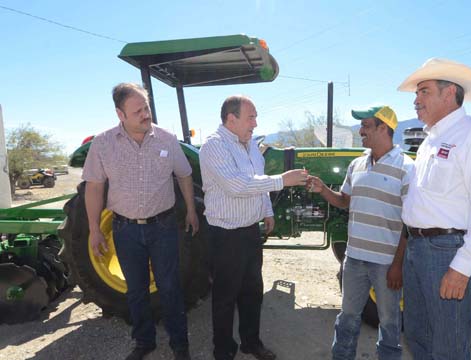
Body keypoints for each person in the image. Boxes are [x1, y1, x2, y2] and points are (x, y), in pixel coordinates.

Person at [397, 58, 471, 359]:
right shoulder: (431, 139)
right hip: (418, 248)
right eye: (416, 94)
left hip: (446, 252)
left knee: (448, 347)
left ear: (449, 93)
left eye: (424, 92)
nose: (416, 101)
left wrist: (462, 267)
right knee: (417, 335)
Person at [83, 83, 198, 360]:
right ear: (120, 114)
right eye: (138, 111)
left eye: (146, 108)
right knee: (135, 290)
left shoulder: (167, 139)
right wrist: (94, 229)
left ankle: (180, 345)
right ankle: (144, 342)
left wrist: (192, 211)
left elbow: (184, 175)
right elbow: (94, 187)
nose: (145, 115)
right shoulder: (103, 143)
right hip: (125, 229)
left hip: (163, 227)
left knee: (170, 287)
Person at [199, 95, 308, 360]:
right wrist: (283, 180)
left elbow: (256, 182)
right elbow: (237, 186)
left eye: (256, 117)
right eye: (251, 117)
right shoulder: (214, 146)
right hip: (226, 235)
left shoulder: (249, 146)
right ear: (231, 119)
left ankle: (251, 342)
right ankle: (223, 350)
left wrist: (267, 211)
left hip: (249, 232)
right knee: (225, 297)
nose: (256, 123)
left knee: (252, 292)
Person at [308, 105, 413, 360]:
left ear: (383, 128)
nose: (361, 130)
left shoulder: (407, 167)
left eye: (366, 125)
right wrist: (322, 189)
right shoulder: (357, 164)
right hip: (354, 259)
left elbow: (410, 223)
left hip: (386, 263)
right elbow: (344, 201)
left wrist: (398, 264)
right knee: (347, 318)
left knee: (389, 324)